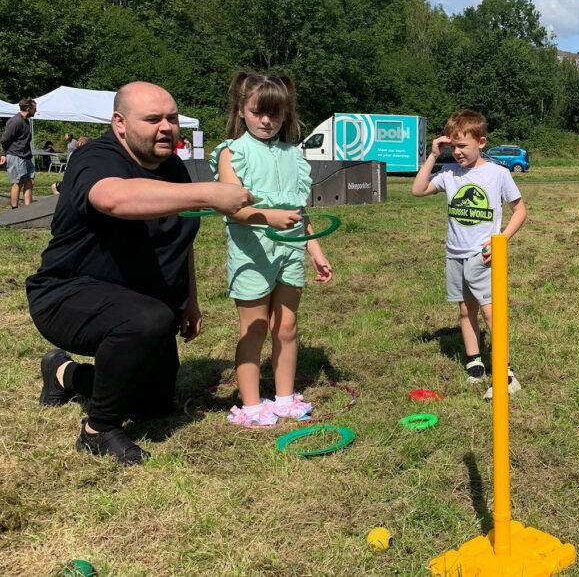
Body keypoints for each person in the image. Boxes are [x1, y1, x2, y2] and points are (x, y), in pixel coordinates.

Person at [27, 82, 255, 465]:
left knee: (152, 405)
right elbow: (113, 198)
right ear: (119, 123)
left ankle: (62, 373)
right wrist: (208, 193)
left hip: (141, 302)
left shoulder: (174, 168)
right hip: (67, 295)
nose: (166, 127)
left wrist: (190, 300)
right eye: (152, 119)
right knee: (147, 319)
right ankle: (97, 431)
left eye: (171, 118)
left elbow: (181, 237)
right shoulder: (96, 157)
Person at [210, 72, 332, 427]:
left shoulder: (293, 155)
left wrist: (315, 250)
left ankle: (283, 397)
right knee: (256, 327)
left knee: (287, 327)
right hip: (252, 253)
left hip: (290, 252)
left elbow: (299, 211)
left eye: (275, 114)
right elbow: (232, 208)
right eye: (257, 112)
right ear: (241, 110)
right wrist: (267, 217)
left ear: (285, 114)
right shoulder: (232, 153)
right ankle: (250, 405)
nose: (266, 121)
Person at [411, 109, 528, 400]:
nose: (457, 151)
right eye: (453, 145)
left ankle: (506, 374)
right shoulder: (449, 173)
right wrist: (433, 155)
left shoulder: (498, 174)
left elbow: (520, 211)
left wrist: (499, 240)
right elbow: (417, 189)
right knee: (466, 310)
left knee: (491, 313)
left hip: (484, 255)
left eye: (463, 145)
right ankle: (475, 362)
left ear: (482, 142)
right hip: (455, 254)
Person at [1, 98, 37, 209]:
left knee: (30, 181)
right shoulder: (15, 121)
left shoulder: (25, 121)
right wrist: (2, 154)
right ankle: (14, 210)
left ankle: (27, 209)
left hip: (26, 156)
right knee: (17, 182)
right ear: (28, 108)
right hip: (16, 155)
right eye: (34, 108)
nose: (36, 111)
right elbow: (4, 139)